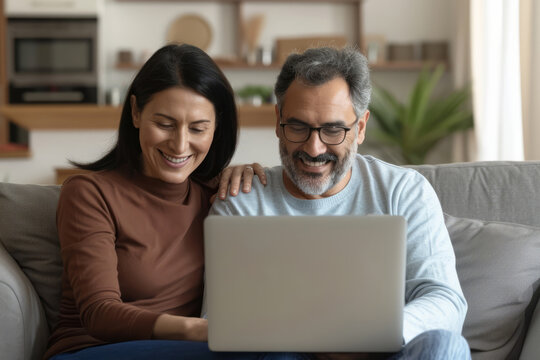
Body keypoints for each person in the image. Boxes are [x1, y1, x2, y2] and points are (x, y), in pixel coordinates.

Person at [210, 47, 471, 359]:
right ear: (278, 120)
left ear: (360, 128)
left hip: (386, 351)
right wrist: (315, 341)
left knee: (446, 346)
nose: (314, 147)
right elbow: (216, 322)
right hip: (287, 354)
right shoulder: (242, 202)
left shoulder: (404, 191)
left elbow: (444, 299)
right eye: (298, 126)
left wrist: (367, 338)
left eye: (333, 129)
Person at [45, 43, 286, 360]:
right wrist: (202, 330)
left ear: (216, 128)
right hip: (95, 350)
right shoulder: (89, 193)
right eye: (165, 124)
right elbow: (100, 313)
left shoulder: (219, 197)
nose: (180, 144)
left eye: (198, 128)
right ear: (135, 112)